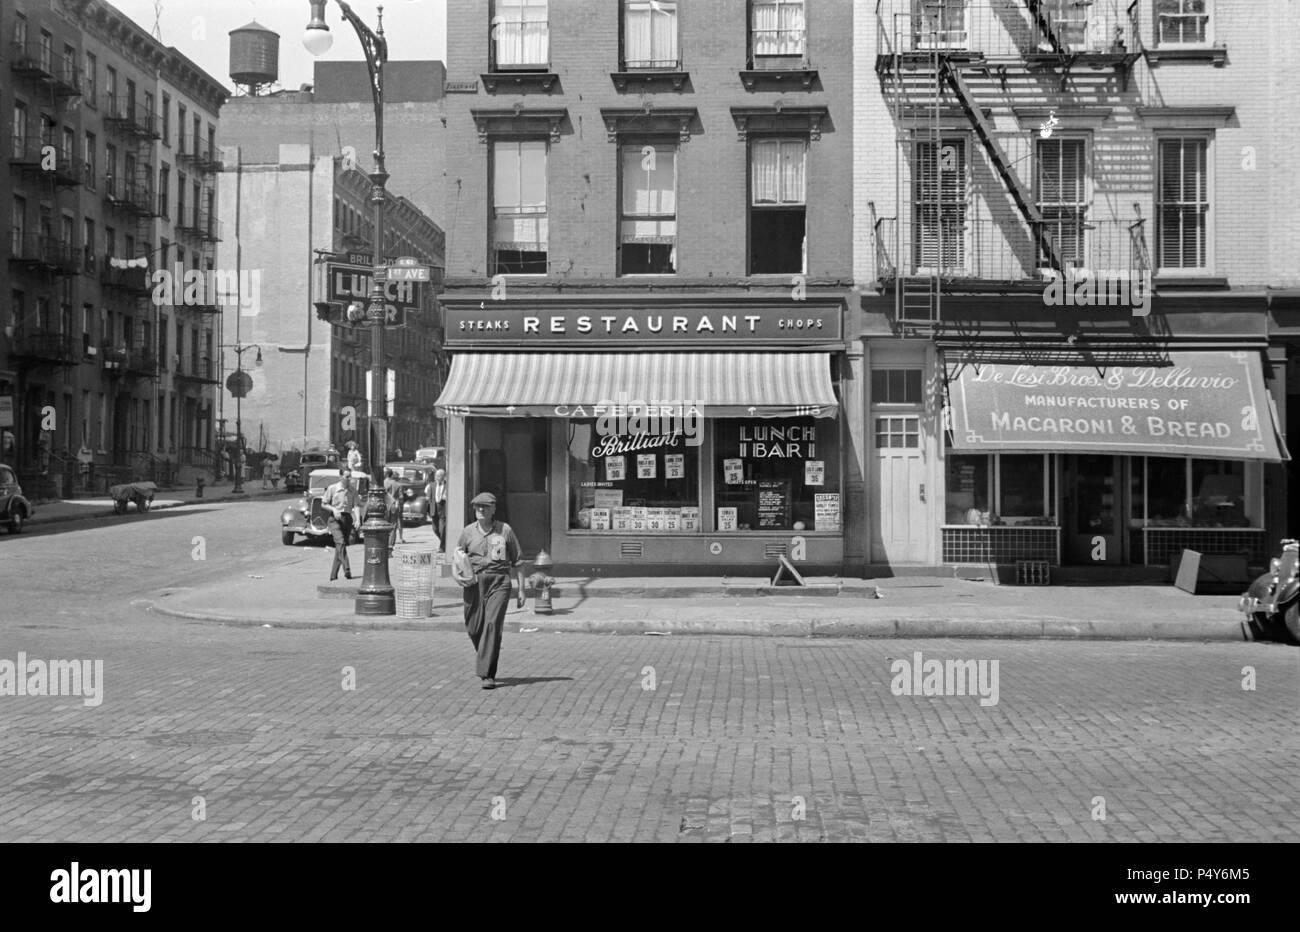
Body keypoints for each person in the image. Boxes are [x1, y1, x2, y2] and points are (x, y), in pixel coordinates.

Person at [456, 492, 525, 690]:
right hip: (474, 582)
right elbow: (457, 557)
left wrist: (522, 590)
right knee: (473, 627)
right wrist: (457, 576)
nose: (480, 510)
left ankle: (487, 674)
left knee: (492, 624)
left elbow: (518, 562)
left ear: (493, 509)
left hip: (499, 582)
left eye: (485, 506)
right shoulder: (468, 532)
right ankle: (487, 653)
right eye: (477, 506)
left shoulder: (505, 531)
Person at [324, 467, 358, 581]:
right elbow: (324, 504)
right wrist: (334, 509)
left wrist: (357, 519)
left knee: (340, 547)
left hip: (347, 519)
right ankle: (347, 568)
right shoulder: (332, 488)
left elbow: (356, 505)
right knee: (340, 542)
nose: (349, 479)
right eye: (347, 476)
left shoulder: (353, 490)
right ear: (340, 477)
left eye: (350, 476)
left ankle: (333, 576)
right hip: (334, 519)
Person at [427, 468, 447, 552]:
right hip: (434, 509)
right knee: (435, 529)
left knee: (442, 529)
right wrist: (427, 511)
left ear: (443, 477)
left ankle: (442, 547)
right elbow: (428, 498)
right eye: (436, 476)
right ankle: (445, 542)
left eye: (438, 476)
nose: (436, 477)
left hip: (443, 509)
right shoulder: (431, 485)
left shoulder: (447, 485)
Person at [384, 467, 405, 546]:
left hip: (384, 506)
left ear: (386, 474)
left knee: (383, 526)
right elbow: (401, 497)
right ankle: (390, 547)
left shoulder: (382, 483)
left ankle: (384, 545)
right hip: (394, 506)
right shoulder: (398, 484)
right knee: (393, 526)